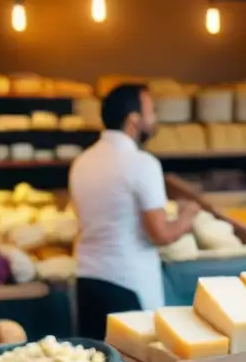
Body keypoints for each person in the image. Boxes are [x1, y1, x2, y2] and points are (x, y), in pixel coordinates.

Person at [69, 84, 199, 339]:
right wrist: (189, 213)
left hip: (87, 280)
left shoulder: (82, 162)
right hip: (127, 286)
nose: (155, 119)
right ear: (134, 120)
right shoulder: (142, 164)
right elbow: (160, 234)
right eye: (152, 111)